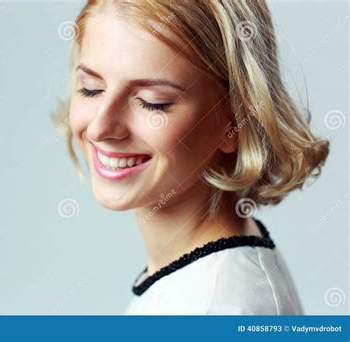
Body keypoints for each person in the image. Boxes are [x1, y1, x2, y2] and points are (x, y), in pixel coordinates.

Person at [52, 0, 330, 315]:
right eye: (90, 88)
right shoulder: (202, 280)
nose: (101, 127)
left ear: (236, 120)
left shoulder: (218, 306)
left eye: (153, 103)